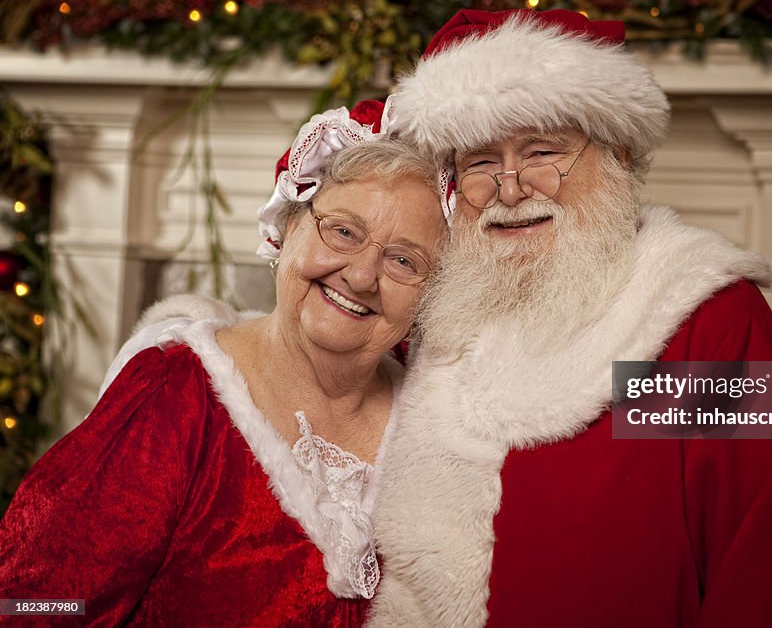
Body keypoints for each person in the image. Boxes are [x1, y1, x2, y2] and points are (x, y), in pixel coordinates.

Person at [366, 10, 772, 627]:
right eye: (482, 162)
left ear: (618, 154)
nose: (510, 188)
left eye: (544, 151)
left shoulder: (707, 332)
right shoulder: (439, 312)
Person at [0, 100, 445, 626]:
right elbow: (31, 605)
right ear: (287, 228)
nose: (363, 275)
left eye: (404, 261)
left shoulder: (440, 429)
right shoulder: (172, 398)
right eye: (343, 231)